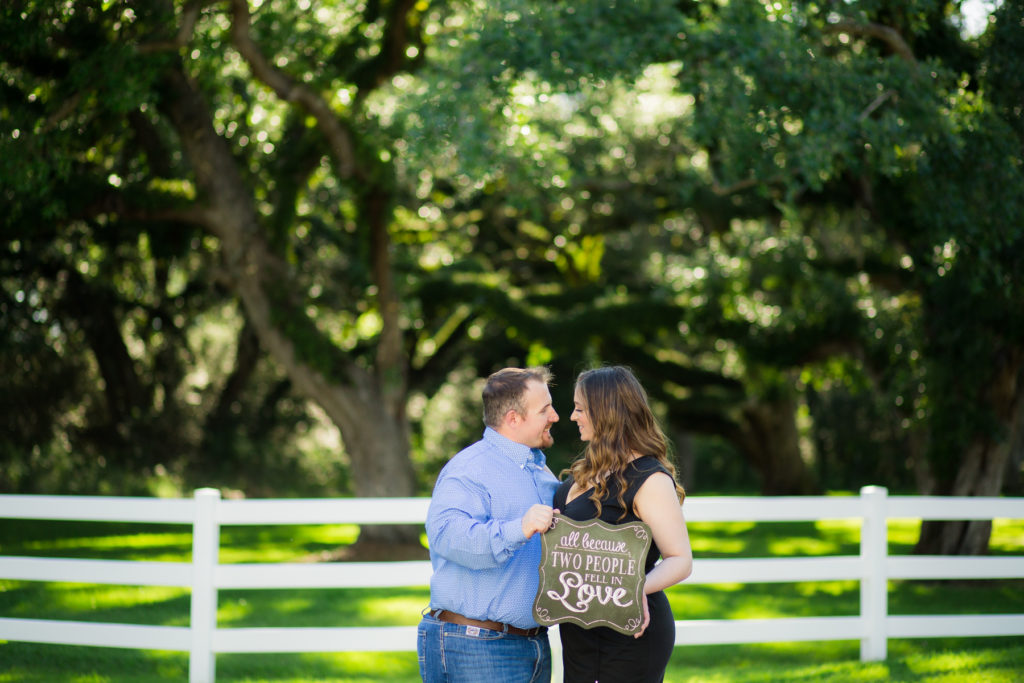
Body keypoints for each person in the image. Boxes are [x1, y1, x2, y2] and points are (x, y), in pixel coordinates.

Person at [418, 366, 561, 683]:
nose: (555, 416)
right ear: (513, 419)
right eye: (544, 410)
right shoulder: (470, 469)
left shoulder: (540, 471)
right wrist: (519, 528)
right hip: (475, 645)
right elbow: (447, 537)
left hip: (533, 644)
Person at [553, 365, 693, 683]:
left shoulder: (649, 478)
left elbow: (680, 560)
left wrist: (634, 591)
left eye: (579, 409)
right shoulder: (583, 473)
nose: (572, 416)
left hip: (630, 630)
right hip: (579, 632)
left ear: (606, 413)